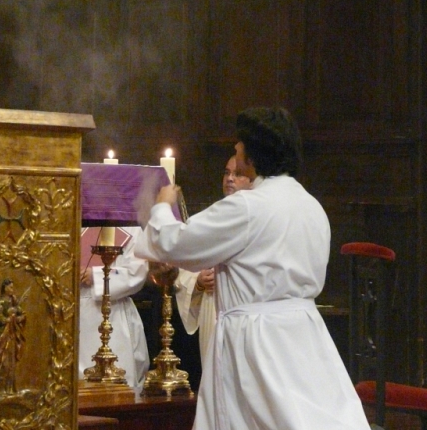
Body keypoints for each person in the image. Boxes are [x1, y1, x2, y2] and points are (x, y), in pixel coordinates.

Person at [135, 107, 370, 430]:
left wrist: (162, 207)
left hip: (256, 340)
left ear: (254, 153)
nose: (235, 150)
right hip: (305, 335)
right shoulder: (311, 205)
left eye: (239, 145)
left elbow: (177, 243)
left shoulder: (248, 207)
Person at [175, 155, 253, 367]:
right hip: (213, 307)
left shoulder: (258, 218)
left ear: (253, 179)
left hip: (245, 314)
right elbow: (183, 264)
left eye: (237, 174)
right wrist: (198, 281)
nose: (229, 178)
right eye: (227, 173)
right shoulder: (212, 217)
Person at [79, 226, 150, 388]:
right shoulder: (77, 225)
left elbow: (137, 273)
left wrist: (97, 275)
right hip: (77, 311)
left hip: (115, 312)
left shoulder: (132, 229)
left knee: (119, 376)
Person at [0, 278, 27, 396]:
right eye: (11, 287)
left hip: (11, 336)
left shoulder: (13, 301)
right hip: (2, 338)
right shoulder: (0, 304)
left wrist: (18, 317)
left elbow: (22, 314)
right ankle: (0, 389)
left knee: (11, 363)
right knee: (3, 362)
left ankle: (10, 388)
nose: (13, 290)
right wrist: (9, 318)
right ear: (5, 288)